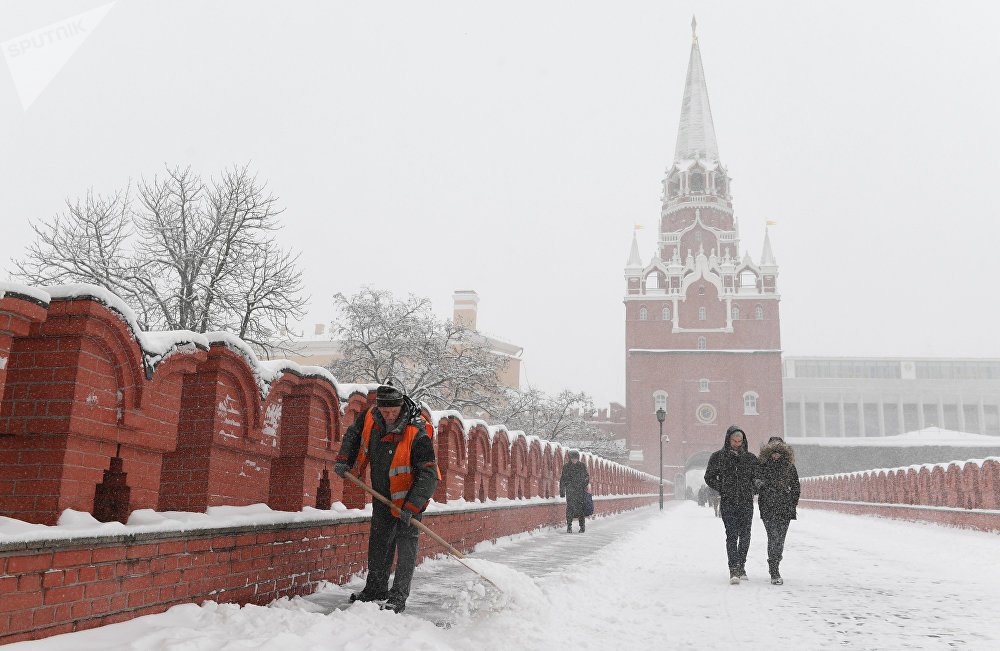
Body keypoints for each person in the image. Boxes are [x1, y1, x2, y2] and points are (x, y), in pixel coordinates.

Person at [334, 384, 439, 613]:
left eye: (393, 412)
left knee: (405, 546)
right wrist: (344, 459)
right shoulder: (371, 417)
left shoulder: (417, 430)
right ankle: (375, 589)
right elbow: (353, 435)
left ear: (401, 407)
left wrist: (412, 505)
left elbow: (430, 474)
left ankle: (398, 596)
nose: (389, 416)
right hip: (382, 495)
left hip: (410, 499)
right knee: (379, 542)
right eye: (385, 412)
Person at [704, 425, 758, 585]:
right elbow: (709, 477)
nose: (737, 443)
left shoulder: (751, 459)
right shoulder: (718, 457)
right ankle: (733, 568)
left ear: (743, 440)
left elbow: (758, 478)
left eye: (739, 440)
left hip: (746, 502)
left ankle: (742, 566)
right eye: (734, 440)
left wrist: (752, 488)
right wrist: (723, 487)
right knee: (732, 535)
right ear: (728, 440)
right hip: (728, 502)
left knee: (746, 535)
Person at [756, 436, 800, 585]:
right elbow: (756, 484)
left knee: (780, 540)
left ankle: (776, 563)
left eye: (778, 452)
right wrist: (761, 486)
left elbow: (796, 487)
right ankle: (774, 569)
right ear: (768, 452)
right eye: (773, 452)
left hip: (785, 509)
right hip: (768, 508)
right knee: (773, 537)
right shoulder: (762, 466)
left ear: (783, 452)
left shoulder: (789, 467)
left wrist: (792, 503)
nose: (776, 455)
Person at [559, 450, 590, 533]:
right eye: (572, 458)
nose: (574, 460)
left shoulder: (582, 466)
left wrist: (583, 484)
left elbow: (587, 477)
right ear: (570, 458)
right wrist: (562, 491)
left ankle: (582, 526)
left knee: (580, 509)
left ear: (578, 458)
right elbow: (562, 479)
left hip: (580, 491)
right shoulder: (566, 467)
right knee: (570, 508)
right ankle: (569, 526)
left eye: (575, 458)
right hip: (570, 491)